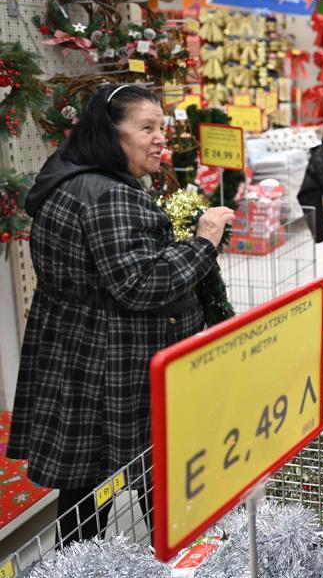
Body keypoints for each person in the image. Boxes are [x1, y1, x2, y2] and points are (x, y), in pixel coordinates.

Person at [8, 84, 234, 545]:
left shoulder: (66, 177)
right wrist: (204, 239)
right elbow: (142, 284)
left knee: (88, 482)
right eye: (146, 128)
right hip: (121, 362)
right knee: (156, 475)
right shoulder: (110, 195)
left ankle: (78, 567)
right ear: (110, 133)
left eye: (162, 128)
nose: (159, 139)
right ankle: (175, 558)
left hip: (79, 350)